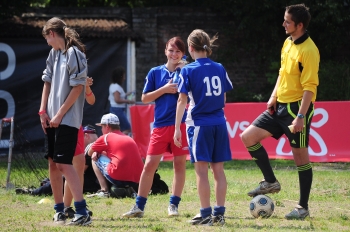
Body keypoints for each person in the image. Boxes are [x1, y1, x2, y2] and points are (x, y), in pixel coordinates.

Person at [240, 4, 319, 220]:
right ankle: (271, 182)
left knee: (300, 158)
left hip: (296, 110)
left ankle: (302, 208)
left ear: (300, 25)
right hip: (280, 105)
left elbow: (310, 88)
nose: (283, 24)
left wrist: (301, 116)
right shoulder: (287, 42)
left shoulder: (309, 50)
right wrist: (273, 96)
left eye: (287, 21)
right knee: (248, 137)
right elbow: (282, 73)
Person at [122, 37, 189, 218]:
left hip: (180, 125)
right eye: (171, 50)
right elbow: (144, 98)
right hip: (160, 126)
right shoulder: (155, 72)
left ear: (183, 54)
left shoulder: (186, 71)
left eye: (178, 51)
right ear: (165, 51)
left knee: (179, 165)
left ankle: (173, 205)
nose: (174, 54)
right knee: (150, 165)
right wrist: (164, 89)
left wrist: (184, 71)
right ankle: (139, 207)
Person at [173, 29, 233, 226]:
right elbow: (223, 98)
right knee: (219, 171)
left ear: (190, 48)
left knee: (201, 171)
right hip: (219, 123)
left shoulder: (188, 70)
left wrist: (176, 129)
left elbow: (182, 101)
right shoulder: (220, 67)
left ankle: (206, 213)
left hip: (199, 125)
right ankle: (220, 214)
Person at [39, 17, 91, 226]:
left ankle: (81, 211)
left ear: (51, 33)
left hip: (67, 119)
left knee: (64, 164)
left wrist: (60, 114)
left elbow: (78, 88)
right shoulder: (54, 53)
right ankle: (59, 210)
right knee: (53, 163)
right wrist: (43, 110)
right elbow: (47, 81)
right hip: (52, 119)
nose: (47, 42)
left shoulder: (74, 54)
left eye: (46, 38)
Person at [15, 125, 100, 201]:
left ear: (86, 136)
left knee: (65, 178)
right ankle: (44, 187)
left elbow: (79, 171)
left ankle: (33, 192)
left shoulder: (91, 148)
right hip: (89, 180)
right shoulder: (96, 145)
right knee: (54, 179)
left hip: (93, 184)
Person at [87, 113, 143, 198]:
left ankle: (104, 191)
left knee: (94, 158)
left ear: (107, 127)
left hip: (118, 177)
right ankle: (132, 191)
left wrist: (98, 152)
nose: (101, 129)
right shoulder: (128, 138)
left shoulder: (105, 137)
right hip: (137, 179)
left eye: (102, 127)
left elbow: (90, 153)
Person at [63, 78, 96, 218]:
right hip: (65, 124)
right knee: (67, 167)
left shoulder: (79, 74)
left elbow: (92, 100)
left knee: (78, 167)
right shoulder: (63, 76)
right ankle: (66, 207)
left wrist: (87, 88)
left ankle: (75, 205)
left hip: (76, 126)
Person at [108, 66, 135, 135]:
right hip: (117, 110)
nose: (124, 78)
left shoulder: (114, 86)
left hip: (116, 110)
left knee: (118, 129)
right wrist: (128, 101)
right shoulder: (116, 87)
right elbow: (117, 99)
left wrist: (127, 94)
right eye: (123, 76)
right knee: (127, 128)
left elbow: (119, 96)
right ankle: (121, 140)